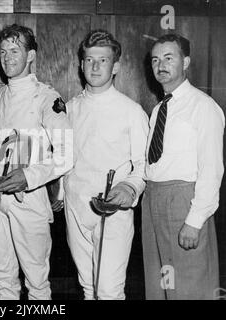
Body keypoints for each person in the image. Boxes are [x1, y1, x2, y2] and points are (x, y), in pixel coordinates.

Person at [0, 24, 73, 300]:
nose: (7, 57)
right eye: (3, 51)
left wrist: (29, 177)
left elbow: (66, 153)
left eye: (15, 50)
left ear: (31, 55)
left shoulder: (47, 97)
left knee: (36, 280)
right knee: (2, 277)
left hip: (28, 198)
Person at [64, 30, 149, 300]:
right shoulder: (69, 109)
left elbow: (143, 164)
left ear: (116, 67)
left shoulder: (131, 111)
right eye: (89, 60)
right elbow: (61, 158)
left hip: (112, 210)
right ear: (81, 64)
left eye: (103, 60)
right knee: (88, 287)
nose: (95, 66)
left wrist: (130, 188)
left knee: (108, 291)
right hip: (75, 207)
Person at [142, 33, 224, 300]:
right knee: (160, 285)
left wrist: (195, 220)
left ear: (186, 62)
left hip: (184, 203)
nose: (160, 65)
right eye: (155, 59)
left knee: (190, 287)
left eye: (169, 58)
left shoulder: (203, 107)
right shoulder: (159, 109)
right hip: (153, 199)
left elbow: (211, 170)